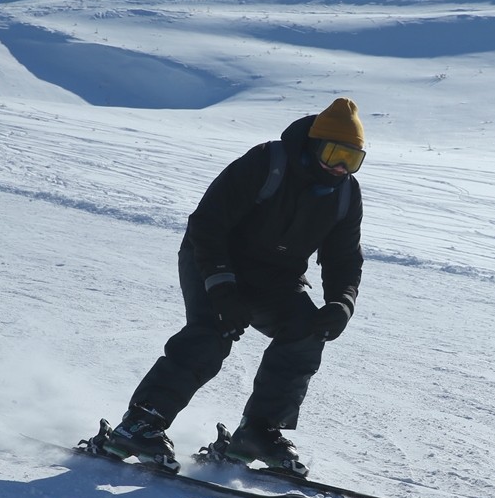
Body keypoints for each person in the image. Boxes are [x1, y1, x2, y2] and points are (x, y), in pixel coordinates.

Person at [95, 98, 367, 476]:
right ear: (312, 145)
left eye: (351, 160)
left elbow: (343, 258)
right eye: (334, 153)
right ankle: (140, 423)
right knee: (212, 332)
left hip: (276, 277)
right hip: (213, 259)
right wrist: (222, 288)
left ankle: (259, 431)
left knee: (306, 329)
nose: (339, 167)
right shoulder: (266, 163)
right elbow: (206, 224)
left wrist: (342, 301)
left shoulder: (345, 195)